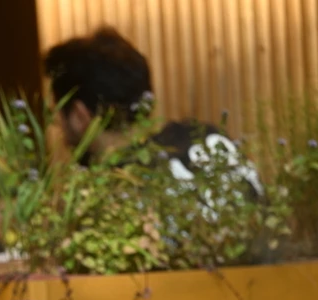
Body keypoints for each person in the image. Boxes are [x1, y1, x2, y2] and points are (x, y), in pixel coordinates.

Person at [44, 27, 264, 197]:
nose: (58, 128)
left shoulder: (110, 196)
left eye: (57, 116)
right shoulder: (209, 140)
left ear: (79, 117)